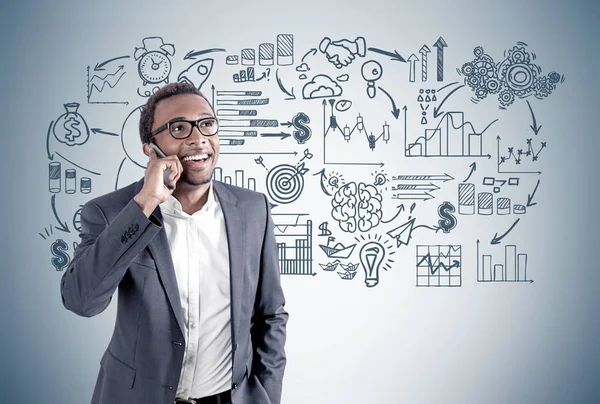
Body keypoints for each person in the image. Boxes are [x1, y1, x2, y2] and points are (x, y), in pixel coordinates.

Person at [61, 82, 288, 404]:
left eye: (207, 124)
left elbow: (270, 315)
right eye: (178, 128)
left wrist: (266, 394)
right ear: (150, 148)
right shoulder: (111, 212)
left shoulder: (253, 209)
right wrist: (145, 203)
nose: (198, 138)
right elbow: (81, 301)